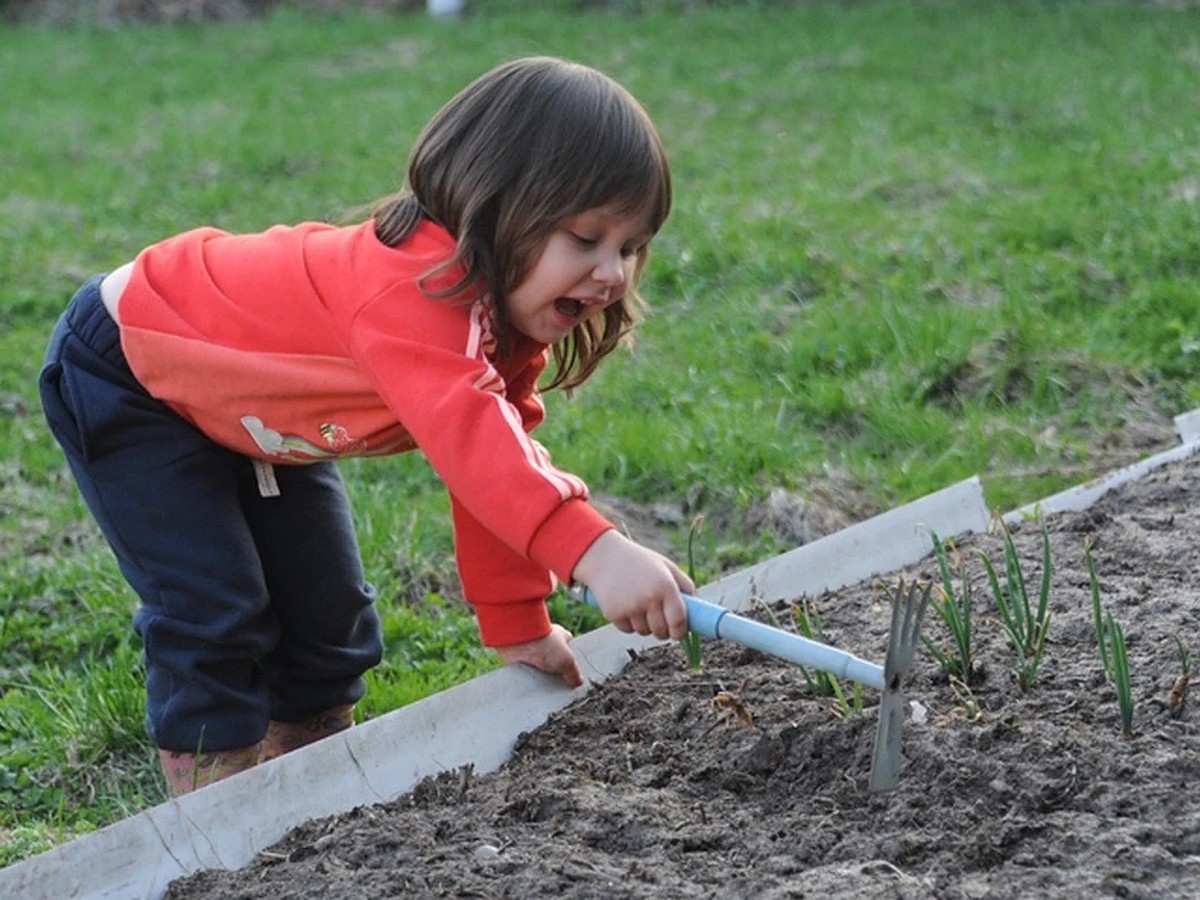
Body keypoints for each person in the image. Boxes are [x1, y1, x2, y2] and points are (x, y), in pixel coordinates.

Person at [38, 56, 694, 797]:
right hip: (133, 370)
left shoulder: (501, 327)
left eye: (630, 247)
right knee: (216, 610)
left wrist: (519, 622)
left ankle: (310, 794)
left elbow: (491, 466)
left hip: (261, 413)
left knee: (329, 618)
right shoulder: (409, 294)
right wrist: (597, 555)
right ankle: (213, 819)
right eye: (586, 238)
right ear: (501, 205)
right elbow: (478, 447)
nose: (613, 272)